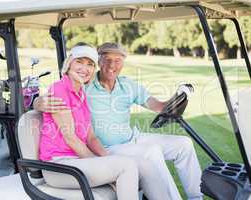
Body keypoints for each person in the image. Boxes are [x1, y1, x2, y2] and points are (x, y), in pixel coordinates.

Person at [35, 42, 203, 200]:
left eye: (117, 61)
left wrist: (180, 96)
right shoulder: (85, 85)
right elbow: (69, 134)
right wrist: (36, 102)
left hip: (128, 139)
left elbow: (160, 106)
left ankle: (196, 197)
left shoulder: (88, 92)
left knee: (183, 144)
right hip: (84, 154)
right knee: (150, 152)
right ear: (99, 62)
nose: (112, 65)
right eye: (107, 60)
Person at [39, 43, 139, 200]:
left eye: (90, 64)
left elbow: (91, 137)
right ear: (69, 63)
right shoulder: (59, 89)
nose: (84, 68)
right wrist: (102, 164)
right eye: (80, 61)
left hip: (77, 162)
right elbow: (71, 139)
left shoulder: (81, 94)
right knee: (127, 166)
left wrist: (106, 158)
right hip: (59, 166)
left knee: (139, 164)